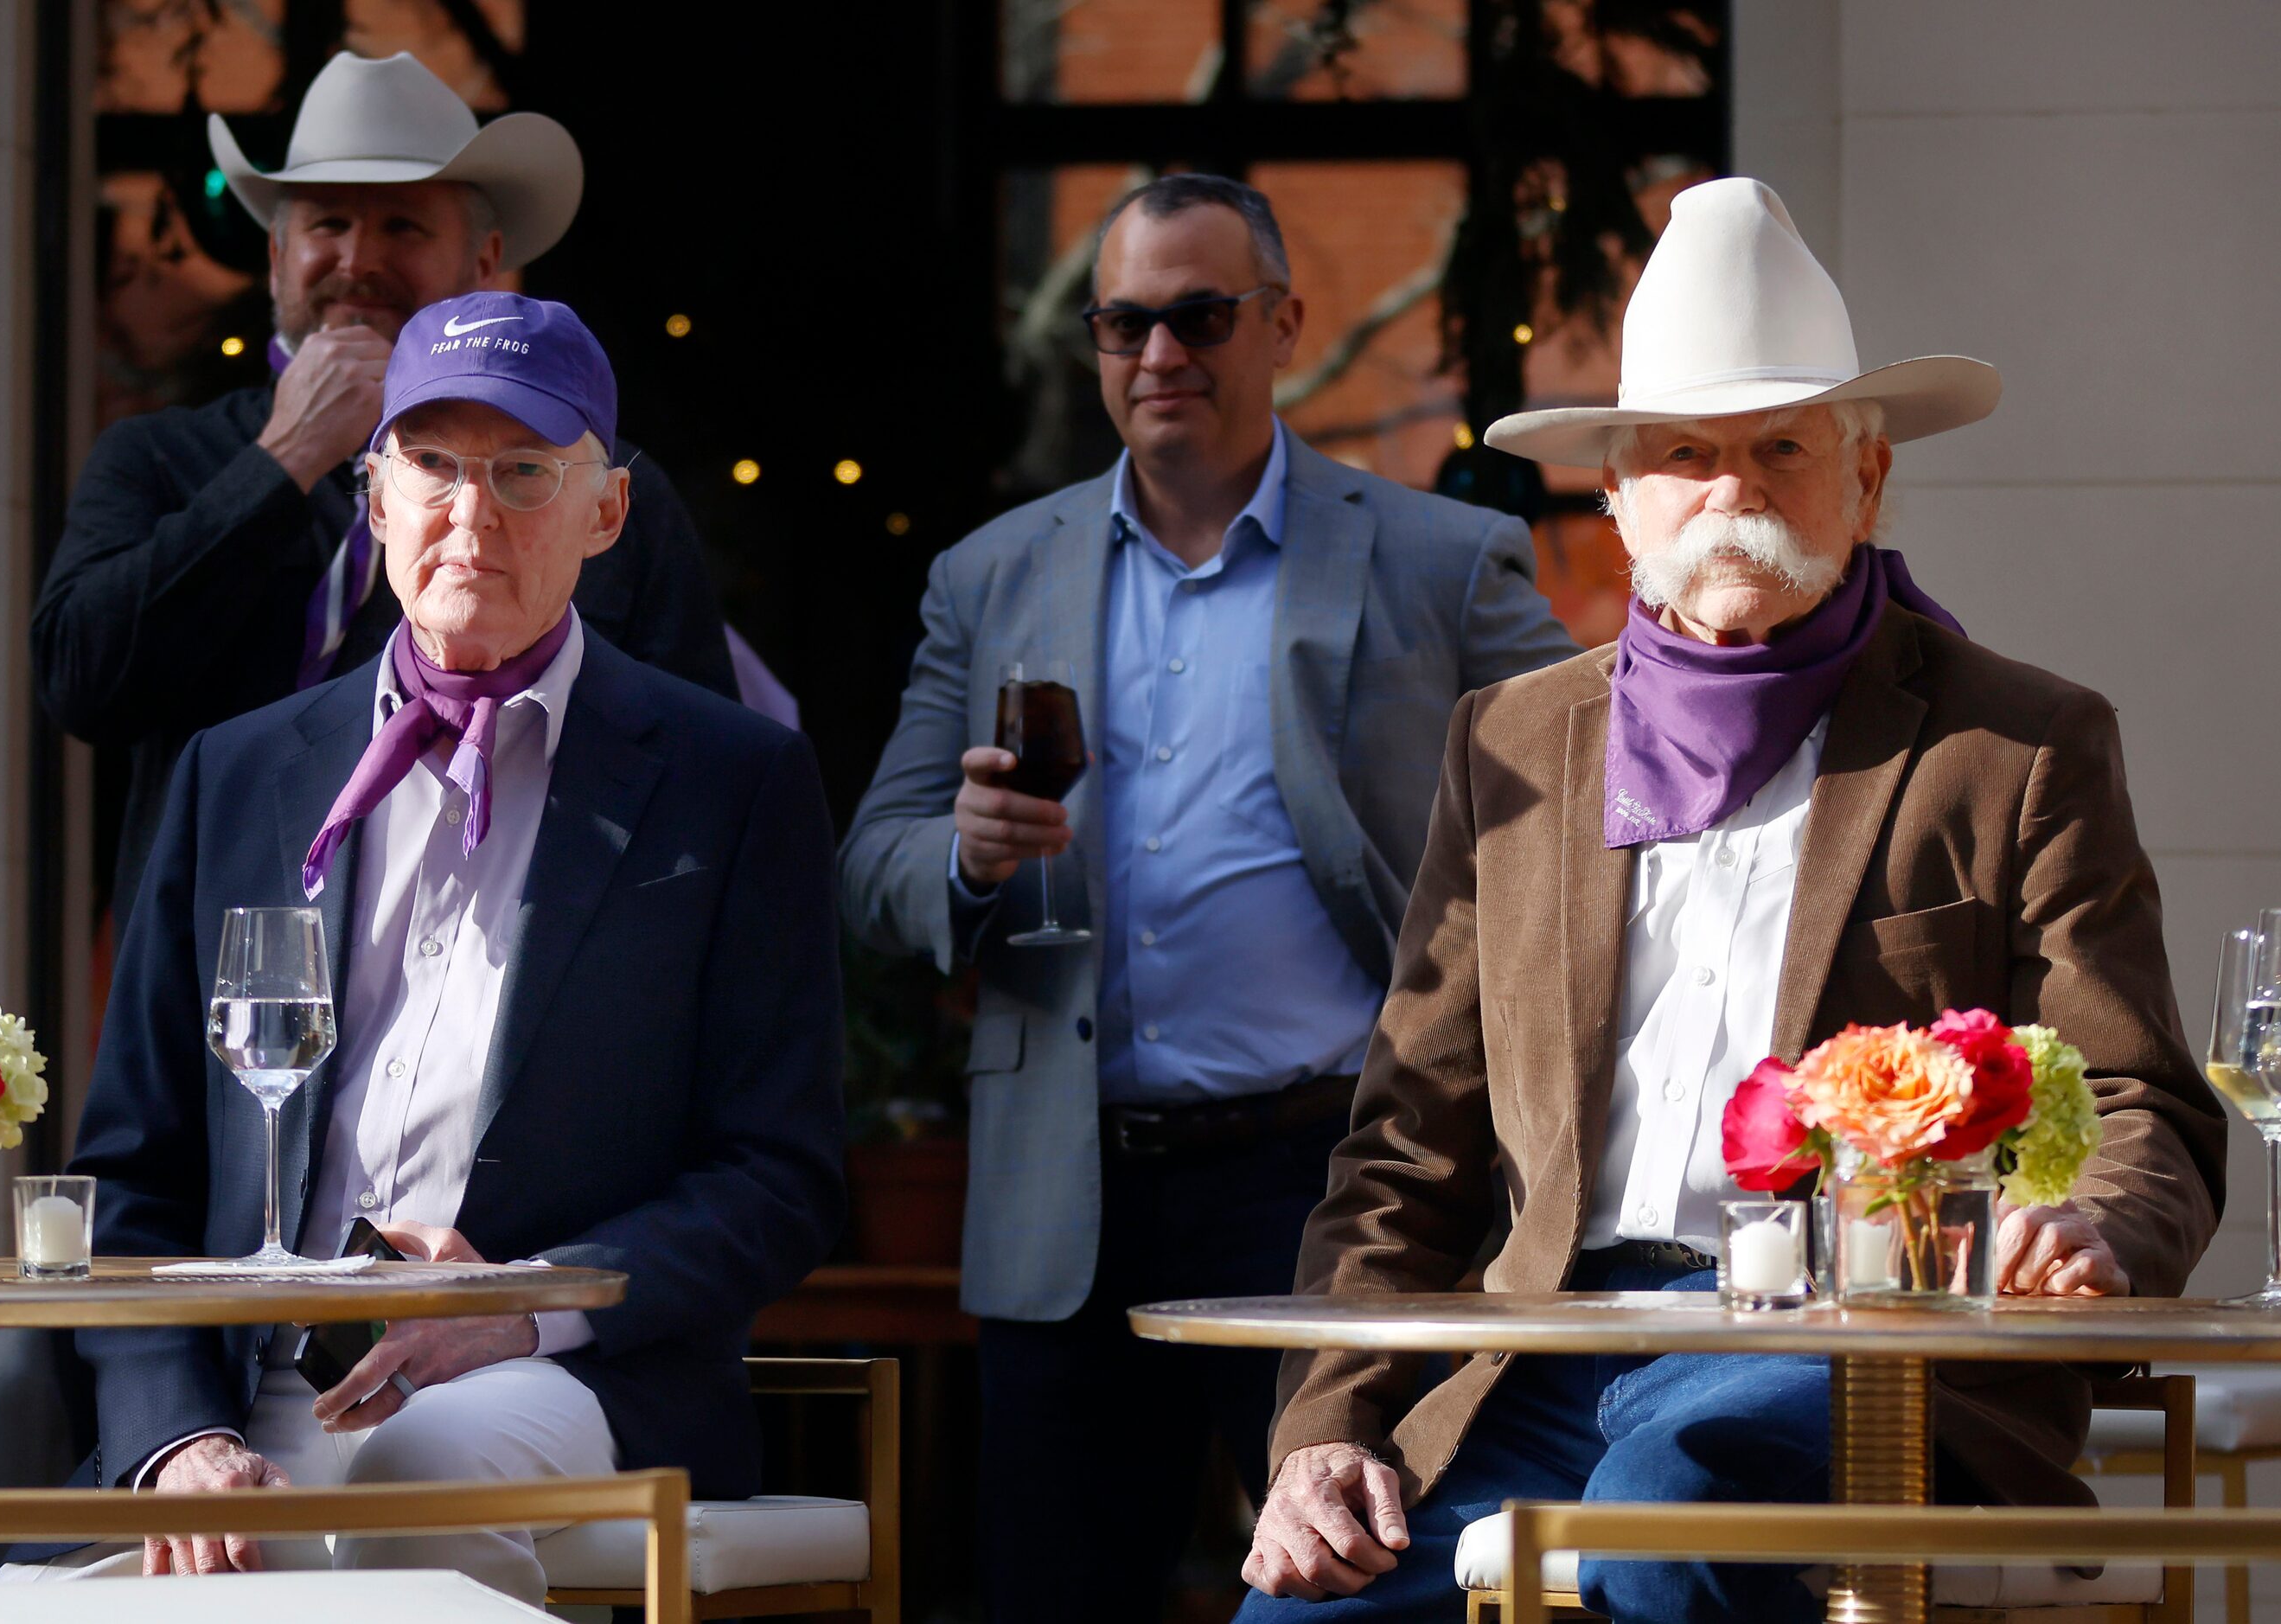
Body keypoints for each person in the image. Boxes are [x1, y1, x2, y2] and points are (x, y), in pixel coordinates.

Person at [1238, 178, 2227, 1624]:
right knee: (1299, 1612)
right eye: (1685, 453)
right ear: (1618, 496)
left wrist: (2091, 1227)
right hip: (1534, 1357)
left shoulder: (2012, 745)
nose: (1734, 489)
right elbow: (1408, 1145)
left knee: (1673, 1514)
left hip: (1854, 1356)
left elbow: (2140, 1100)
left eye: (1782, 447)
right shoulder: (1510, 743)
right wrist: (1324, 1426)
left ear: (1868, 478)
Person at [0, 292, 845, 1602]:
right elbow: (139, 1171)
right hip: (253, 1382)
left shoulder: (729, 779)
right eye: (434, 466)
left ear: (605, 513)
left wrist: (524, 1301)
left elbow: (778, 1176)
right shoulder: (239, 771)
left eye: (523, 471)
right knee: (10, 1598)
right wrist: (178, 1435)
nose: (472, 512)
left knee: (420, 1484)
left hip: (558, 1374)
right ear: (372, 497)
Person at [839, 173, 1577, 1621]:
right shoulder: (993, 573)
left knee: (1349, 1581)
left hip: (1326, 1175)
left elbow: (1591, 774)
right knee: (1057, 1594)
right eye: (1124, 323)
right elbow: (871, 863)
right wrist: (964, 854)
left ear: (1284, 322)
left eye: (1198, 315)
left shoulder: (1435, 557)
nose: (1159, 354)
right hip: (1071, 1182)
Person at [34, 48, 736, 939]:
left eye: (404, 226)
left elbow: (691, 765)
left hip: (509, 968)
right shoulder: (163, 457)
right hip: (226, 967)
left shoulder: (579, 479)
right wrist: (282, 462)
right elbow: (80, 685)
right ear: (279, 253)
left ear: (484, 260)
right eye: (327, 223)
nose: (358, 260)